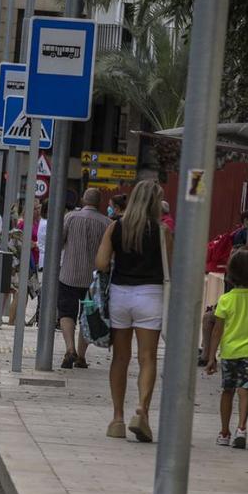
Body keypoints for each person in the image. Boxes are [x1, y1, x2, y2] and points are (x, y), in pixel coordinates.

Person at [96, 180, 172, 443]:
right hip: (150, 295)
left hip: (120, 294)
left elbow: (102, 262)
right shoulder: (162, 232)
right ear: (155, 203)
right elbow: (169, 269)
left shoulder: (116, 227)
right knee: (147, 358)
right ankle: (142, 411)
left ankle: (117, 418)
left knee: (120, 357)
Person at [204, 249, 248, 448]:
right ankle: (242, 428)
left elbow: (216, 331)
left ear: (230, 275)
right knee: (245, 390)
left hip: (229, 353)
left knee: (227, 391)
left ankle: (224, 432)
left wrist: (211, 357)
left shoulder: (225, 300)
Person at [58, 189, 111, 369]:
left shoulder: (70, 217)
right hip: (93, 281)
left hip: (69, 275)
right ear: (100, 203)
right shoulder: (107, 223)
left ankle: (69, 348)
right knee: (87, 316)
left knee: (66, 312)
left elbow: (59, 242)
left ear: (83, 199)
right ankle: (81, 356)